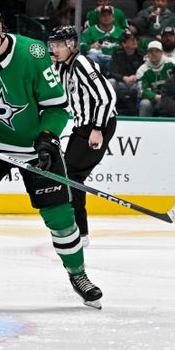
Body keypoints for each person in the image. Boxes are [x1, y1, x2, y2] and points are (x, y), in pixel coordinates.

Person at [0, 1, 102, 311]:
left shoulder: (33, 54)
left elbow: (57, 107)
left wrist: (47, 137)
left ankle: (78, 275)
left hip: (34, 146)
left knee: (60, 216)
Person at [48, 26, 117, 247]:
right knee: (68, 176)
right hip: (82, 125)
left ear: (71, 45)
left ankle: (80, 232)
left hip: (98, 123)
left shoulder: (82, 64)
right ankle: (77, 230)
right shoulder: (63, 67)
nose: (54, 49)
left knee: (71, 176)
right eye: (52, 45)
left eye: (58, 45)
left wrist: (97, 128)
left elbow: (107, 97)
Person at [137, 40, 175, 117]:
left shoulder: (173, 63)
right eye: (151, 51)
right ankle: (143, 126)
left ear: (162, 52)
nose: (154, 54)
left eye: (157, 51)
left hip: (171, 98)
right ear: (147, 53)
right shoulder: (142, 70)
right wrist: (155, 97)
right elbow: (142, 91)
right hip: (154, 100)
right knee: (144, 103)